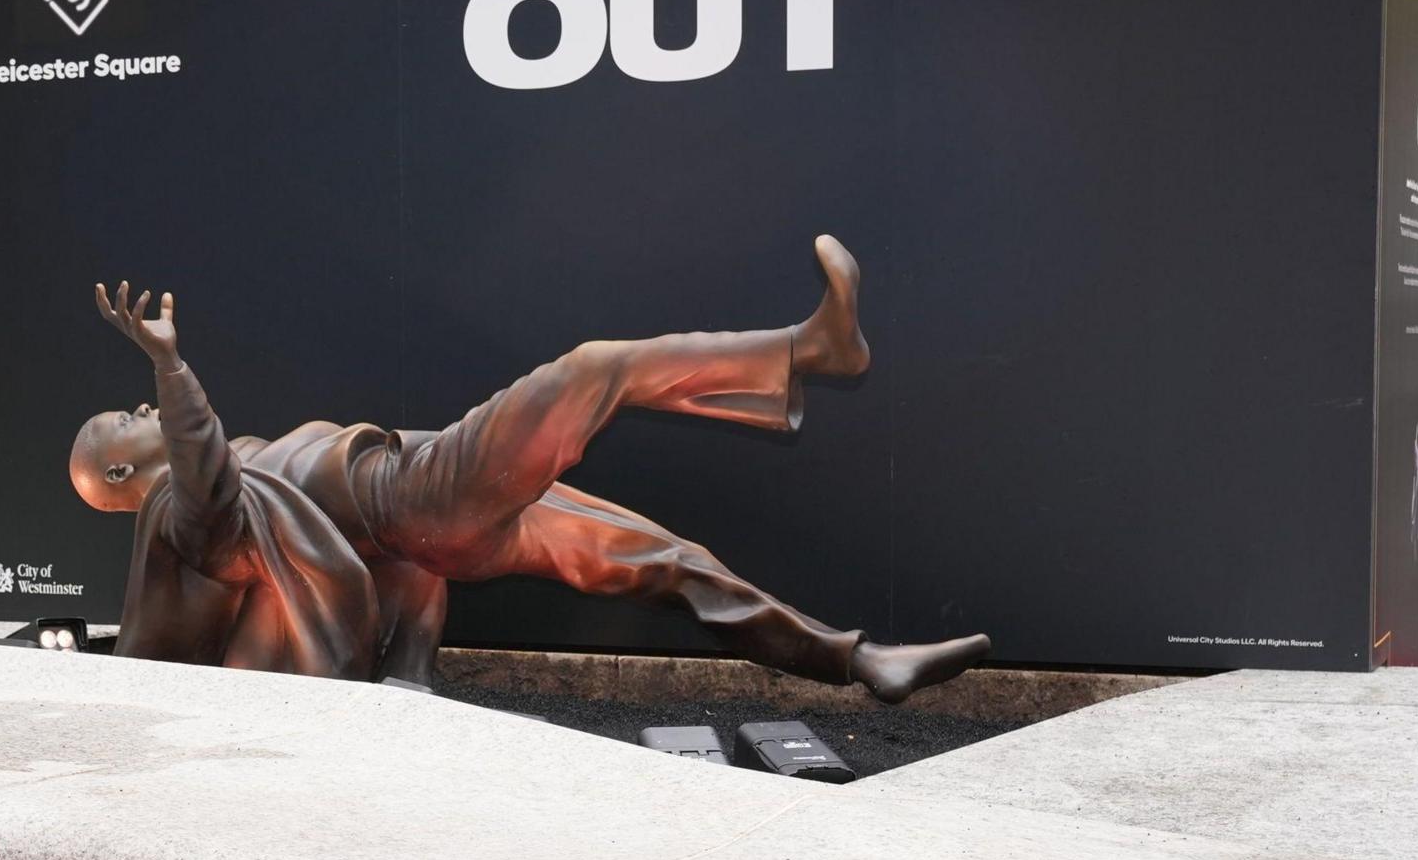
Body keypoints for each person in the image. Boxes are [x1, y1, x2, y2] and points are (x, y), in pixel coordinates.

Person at [73, 237, 988, 700]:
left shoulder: (240, 474)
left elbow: (348, 553)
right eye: (128, 418)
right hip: (422, 497)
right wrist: (173, 369)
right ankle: (807, 351)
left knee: (663, 560)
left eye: (140, 398)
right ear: (120, 477)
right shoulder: (177, 517)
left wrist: (414, 672)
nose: (143, 410)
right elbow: (211, 496)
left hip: (428, 512)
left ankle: (862, 660)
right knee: (593, 369)